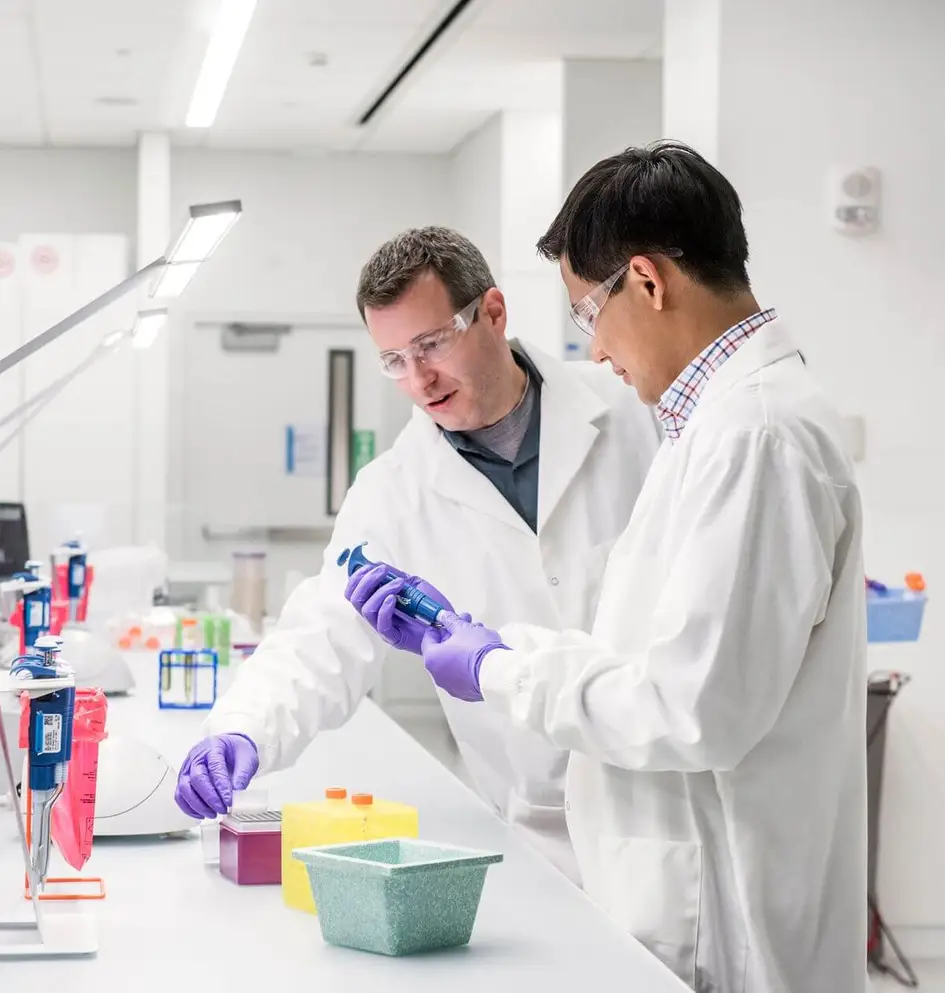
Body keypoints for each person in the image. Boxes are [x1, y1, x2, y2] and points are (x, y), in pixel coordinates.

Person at [346, 145, 868, 993]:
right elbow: (646, 654)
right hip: (678, 894)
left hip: (721, 921)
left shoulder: (755, 437)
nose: (593, 353)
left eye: (590, 315)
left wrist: (498, 668)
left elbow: (691, 708)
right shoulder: (706, 429)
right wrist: (488, 644)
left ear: (648, 281)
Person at [174, 226, 662, 883]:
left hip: (669, 805)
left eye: (431, 344)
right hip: (539, 831)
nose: (418, 377)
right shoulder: (392, 491)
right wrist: (241, 731)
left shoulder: (635, 413)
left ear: (493, 312)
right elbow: (319, 636)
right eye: (394, 359)